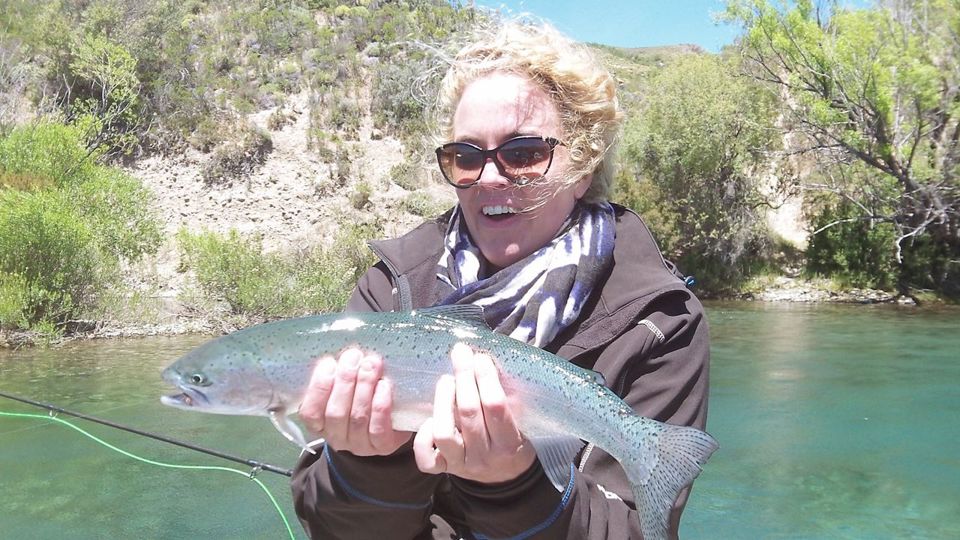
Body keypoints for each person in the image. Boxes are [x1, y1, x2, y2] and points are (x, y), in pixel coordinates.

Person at [290, 19, 709, 540]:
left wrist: (513, 486)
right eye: (466, 157)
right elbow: (328, 525)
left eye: (524, 153)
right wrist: (370, 464)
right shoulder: (392, 289)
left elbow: (633, 531)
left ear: (582, 169)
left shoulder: (659, 319)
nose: (489, 177)